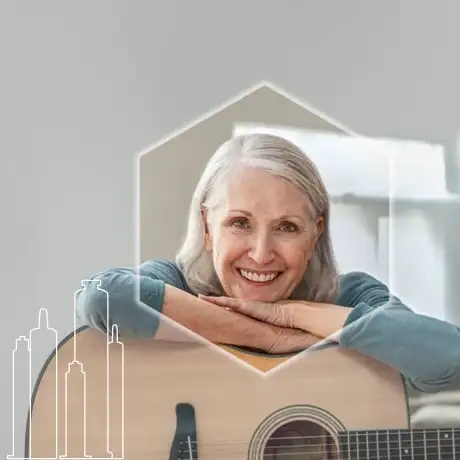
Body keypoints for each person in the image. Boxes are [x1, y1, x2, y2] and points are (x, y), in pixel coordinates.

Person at [76, 133, 460, 394]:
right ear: (208, 227)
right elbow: (103, 298)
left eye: (287, 227)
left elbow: (448, 361)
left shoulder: (350, 296)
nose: (261, 254)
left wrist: (293, 316)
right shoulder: (176, 284)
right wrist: (266, 336)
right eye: (239, 223)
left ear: (315, 233)